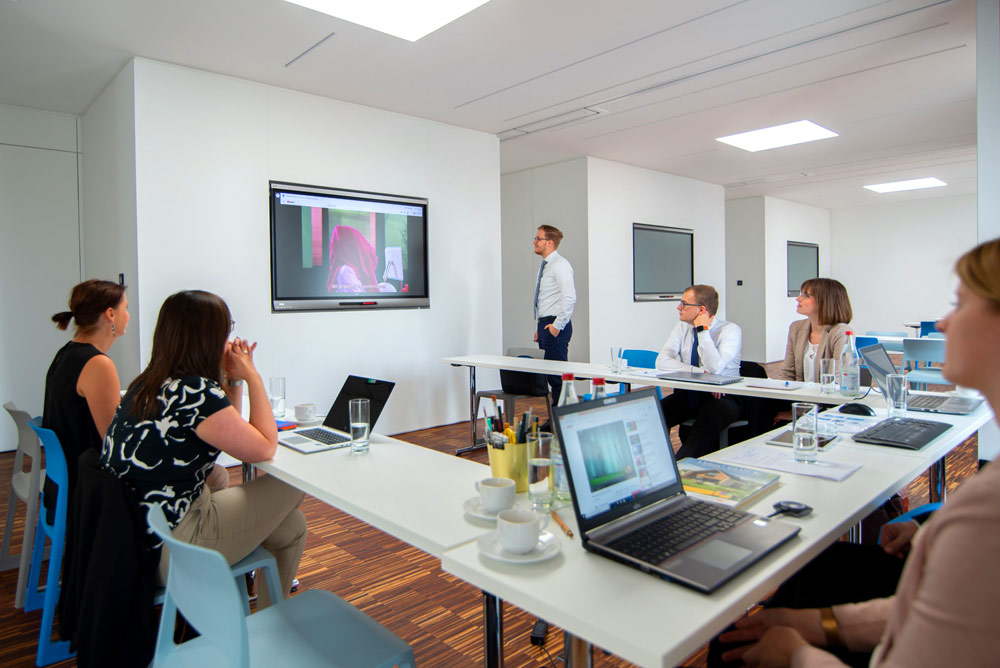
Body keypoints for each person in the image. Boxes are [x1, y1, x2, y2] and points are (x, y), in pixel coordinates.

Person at [719, 237, 1000, 667]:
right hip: (900, 583)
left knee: (739, 639)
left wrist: (797, 655)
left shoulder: (983, 513)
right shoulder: (983, 502)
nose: (942, 324)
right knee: (810, 571)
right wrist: (821, 625)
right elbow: (930, 609)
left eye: (959, 306)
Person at [101, 290, 306, 607]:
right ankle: (267, 621)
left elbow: (230, 433)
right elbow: (264, 447)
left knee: (293, 527)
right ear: (208, 338)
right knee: (293, 484)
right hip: (175, 546)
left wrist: (232, 380)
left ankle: (268, 622)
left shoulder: (148, 384)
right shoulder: (195, 392)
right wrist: (252, 376)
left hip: (133, 540)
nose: (230, 341)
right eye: (227, 331)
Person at [43, 279, 130, 517]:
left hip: (64, 487)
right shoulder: (98, 364)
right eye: (126, 308)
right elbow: (114, 444)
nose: (128, 316)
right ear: (111, 314)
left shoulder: (65, 353)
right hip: (87, 493)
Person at [655, 284, 743, 459]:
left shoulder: (730, 330)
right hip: (691, 392)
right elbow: (662, 361)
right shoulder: (681, 327)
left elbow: (715, 367)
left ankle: (682, 466)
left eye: (684, 304)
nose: (678, 307)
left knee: (707, 422)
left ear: (702, 310)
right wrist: (699, 372)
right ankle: (656, 463)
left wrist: (702, 331)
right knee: (657, 413)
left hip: (723, 396)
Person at [532, 224, 576, 405]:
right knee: (550, 377)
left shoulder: (560, 265)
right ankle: (555, 416)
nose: (534, 242)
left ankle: (562, 418)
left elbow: (569, 298)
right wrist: (540, 327)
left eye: (538, 239)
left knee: (558, 378)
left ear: (549, 242)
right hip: (546, 324)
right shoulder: (546, 266)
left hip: (555, 325)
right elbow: (547, 299)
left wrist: (556, 326)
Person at [776, 278, 853, 383]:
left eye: (806, 295)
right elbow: (788, 373)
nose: (798, 299)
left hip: (826, 393)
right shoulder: (796, 328)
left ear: (826, 301)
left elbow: (839, 379)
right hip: (800, 392)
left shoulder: (841, 332)